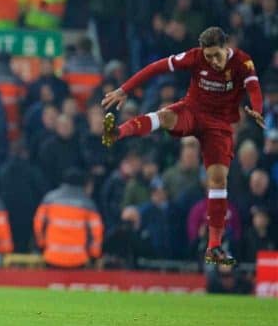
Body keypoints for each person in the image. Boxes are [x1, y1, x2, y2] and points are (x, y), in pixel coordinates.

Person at [101, 26, 264, 266]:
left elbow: (253, 88)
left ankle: (214, 246)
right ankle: (117, 132)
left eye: (216, 55)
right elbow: (156, 67)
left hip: (218, 125)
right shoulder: (195, 56)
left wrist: (257, 110)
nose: (213, 61)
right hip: (193, 111)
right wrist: (124, 89)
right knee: (165, 115)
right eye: (208, 56)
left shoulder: (242, 61)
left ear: (226, 47)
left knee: (218, 179)